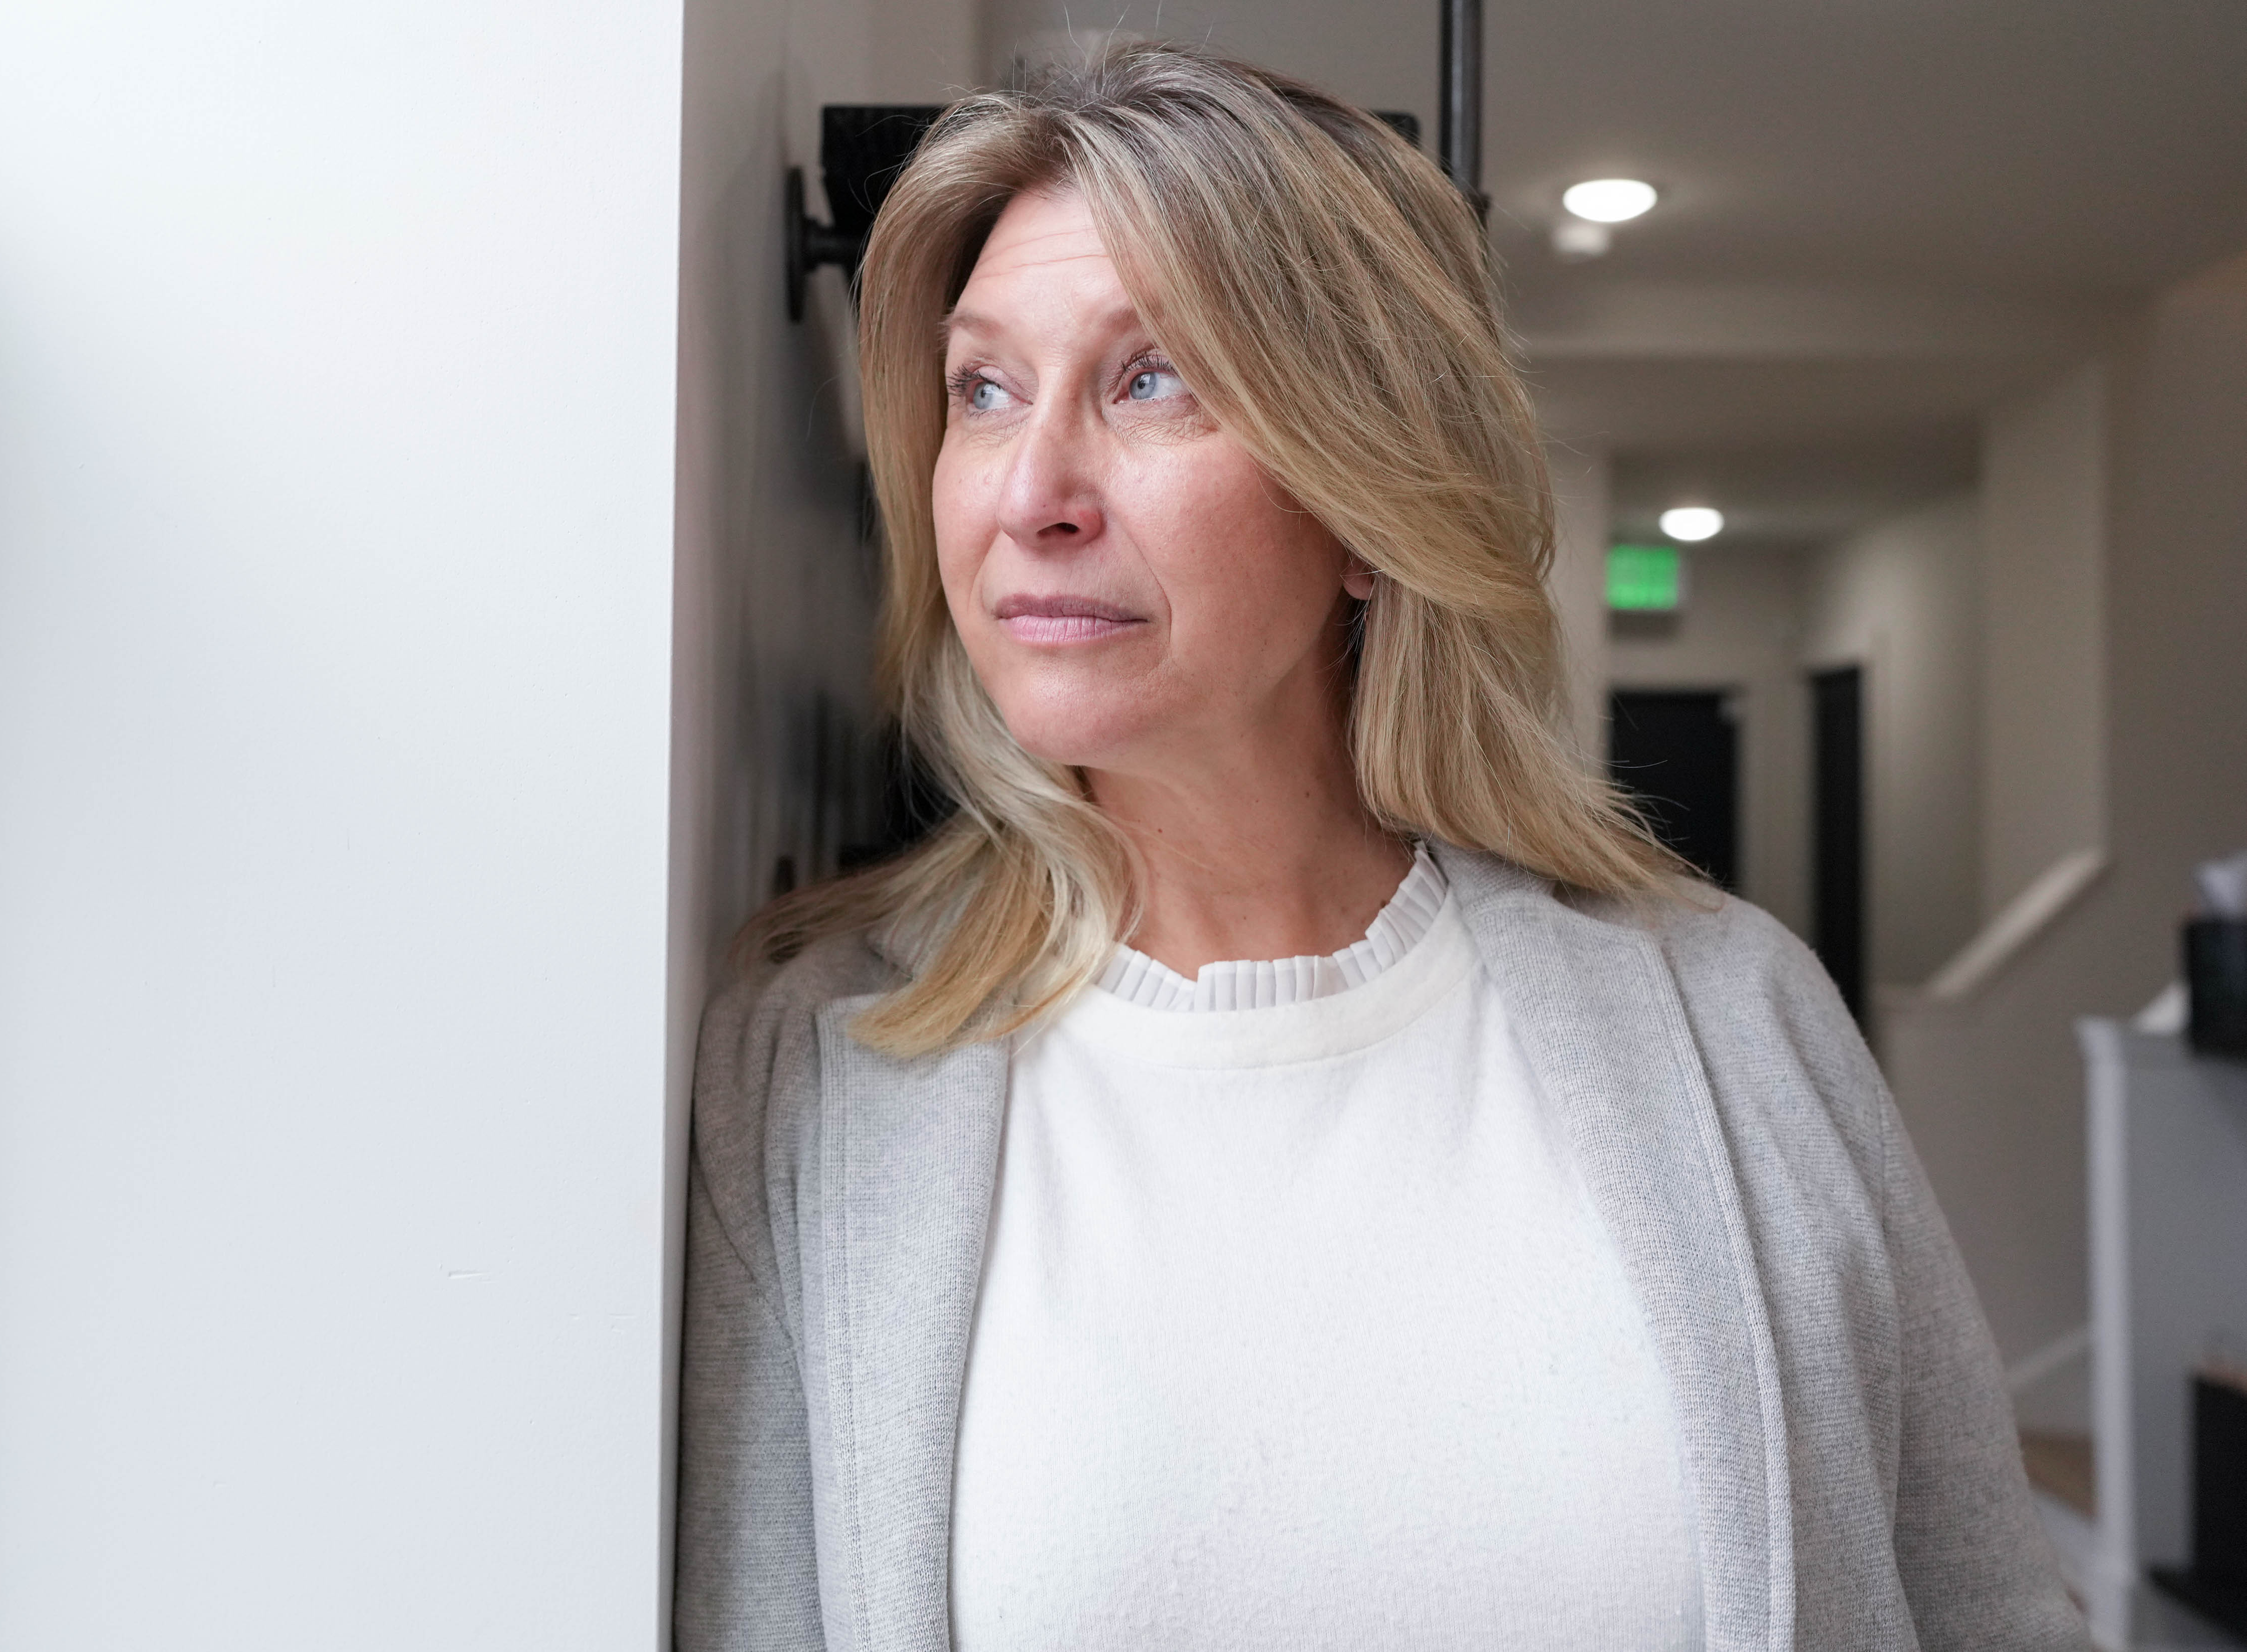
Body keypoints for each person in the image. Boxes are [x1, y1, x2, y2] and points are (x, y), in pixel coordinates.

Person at [677, 40, 2082, 1652]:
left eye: (1153, 379)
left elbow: (1985, 1611)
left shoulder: (1733, 1018)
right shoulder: (815, 1067)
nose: (1031, 490)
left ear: (1366, 497)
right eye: (984, 388)